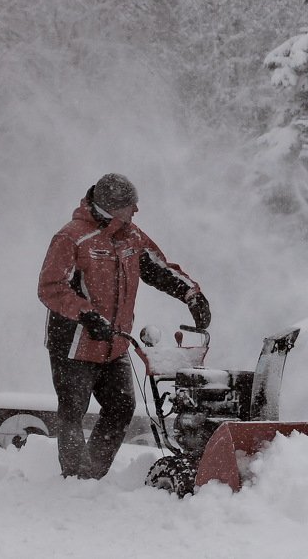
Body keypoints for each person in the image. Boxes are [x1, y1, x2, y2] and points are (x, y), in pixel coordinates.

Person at [37, 173, 212, 479]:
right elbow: (51, 287)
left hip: (114, 343)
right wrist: (87, 314)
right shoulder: (72, 238)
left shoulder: (131, 237)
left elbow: (159, 269)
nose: (136, 210)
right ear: (112, 206)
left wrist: (191, 294)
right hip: (75, 343)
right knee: (72, 413)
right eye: (131, 205)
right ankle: (73, 482)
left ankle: (91, 475)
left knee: (121, 407)